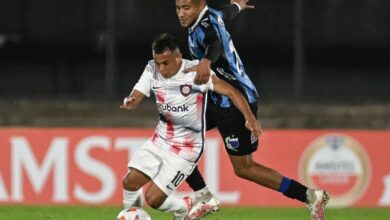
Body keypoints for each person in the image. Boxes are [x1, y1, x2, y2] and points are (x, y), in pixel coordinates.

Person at [175, 0, 330, 219]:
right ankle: (203, 196)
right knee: (177, 137)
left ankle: (309, 195)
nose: (181, 13)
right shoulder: (211, 15)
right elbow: (225, 14)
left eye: (186, 8)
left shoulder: (205, 27)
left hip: (236, 103)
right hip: (217, 99)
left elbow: (214, 43)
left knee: (244, 168)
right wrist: (237, 6)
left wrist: (207, 60)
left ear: (200, 5)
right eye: (178, 8)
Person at [120, 33, 261, 220]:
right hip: (160, 140)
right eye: (158, 62)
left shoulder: (195, 73)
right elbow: (139, 90)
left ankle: (184, 207)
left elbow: (232, 92)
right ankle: (133, 215)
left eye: (165, 63)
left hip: (186, 149)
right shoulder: (151, 69)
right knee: (129, 183)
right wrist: (131, 100)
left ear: (178, 58)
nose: (161, 68)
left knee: (153, 199)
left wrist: (250, 118)